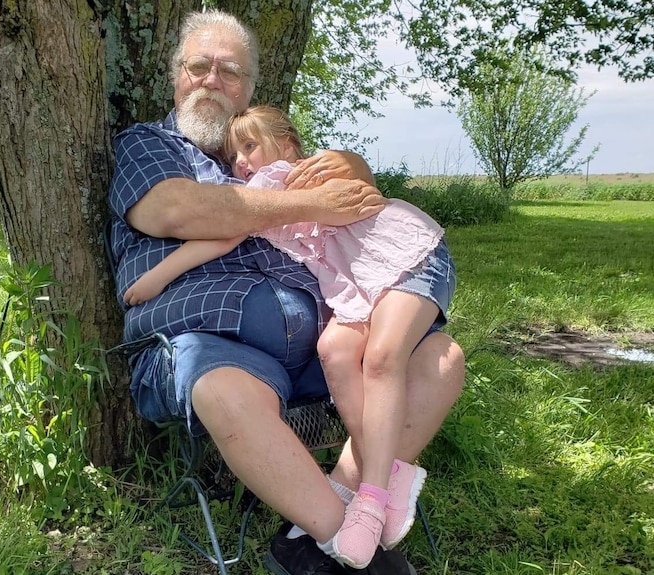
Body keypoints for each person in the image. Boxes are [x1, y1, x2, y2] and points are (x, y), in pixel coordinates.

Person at [108, 9, 466, 575]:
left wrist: (348, 166)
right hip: (215, 337)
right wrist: (309, 203)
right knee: (225, 391)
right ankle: (356, 551)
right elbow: (176, 209)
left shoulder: (258, 155)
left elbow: (353, 194)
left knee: (441, 360)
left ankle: (322, 524)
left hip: (325, 333)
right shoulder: (151, 145)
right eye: (199, 66)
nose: (211, 80)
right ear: (177, 75)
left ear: (249, 87)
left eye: (229, 71)